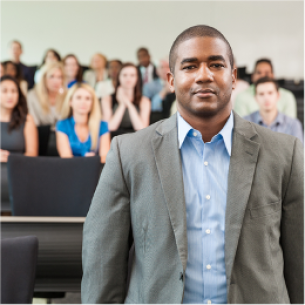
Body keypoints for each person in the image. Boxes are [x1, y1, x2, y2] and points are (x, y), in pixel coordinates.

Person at [82, 25, 305, 305]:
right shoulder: (128, 153)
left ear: (233, 77)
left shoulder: (286, 153)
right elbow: (101, 259)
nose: (204, 75)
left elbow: (300, 261)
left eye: (216, 64)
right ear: (171, 80)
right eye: (190, 66)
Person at [56, 83, 110, 163]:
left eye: (88, 98)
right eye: (78, 98)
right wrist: (87, 159)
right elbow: (66, 157)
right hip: (71, 170)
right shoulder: (62, 125)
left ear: (92, 103)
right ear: (70, 102)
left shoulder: (102, 125)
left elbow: (105, 157)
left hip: (95, 171)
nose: (83, 102)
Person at [244, 77, 303, 143]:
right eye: (261, 94)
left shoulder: (293, 124)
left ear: (278, 95)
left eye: (270, 93)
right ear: (256, 98)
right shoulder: (245, 123)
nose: (266, 98)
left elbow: (299, 152)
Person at [101, 63, 151, 134]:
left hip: (135, 140)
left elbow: (142, 129)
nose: (128, 78)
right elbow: (109, 128)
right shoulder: (107, 98)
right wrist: (122, 105)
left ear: (137, 78)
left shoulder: (144, 101)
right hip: (113, 139)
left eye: (132, 75)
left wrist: (128, 103)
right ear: (119, 77)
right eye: (124, 75)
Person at [0, 75, 38, 162]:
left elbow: (32, 153)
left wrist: (10, 159)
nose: (10, 95)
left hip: (18, 168)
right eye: (4, 91)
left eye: (14, 91)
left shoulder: (27, 119)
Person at [27, 61, 66, 128]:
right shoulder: (32, 96)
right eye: (51, 76)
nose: (56, 81)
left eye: (59, 77)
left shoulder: (66, 95)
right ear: (44, 78)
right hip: (41, 135)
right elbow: (33, 124)